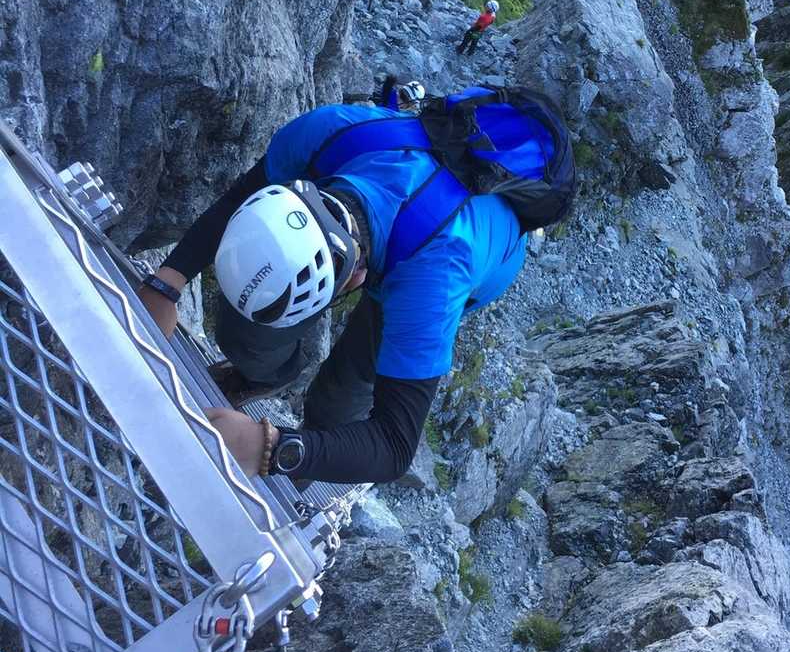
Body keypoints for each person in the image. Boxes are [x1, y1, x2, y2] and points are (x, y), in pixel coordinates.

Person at [137, 103, 528, 484]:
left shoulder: (432, 288)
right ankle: (263, 375)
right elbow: (241, 196)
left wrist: (273, 448)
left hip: (470, 257)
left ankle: (305, 464)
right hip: (418, 221)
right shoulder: (326, 134)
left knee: (342, 397)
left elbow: (394, 446)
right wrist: (167, 282)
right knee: (246, 328)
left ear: (354, 280)